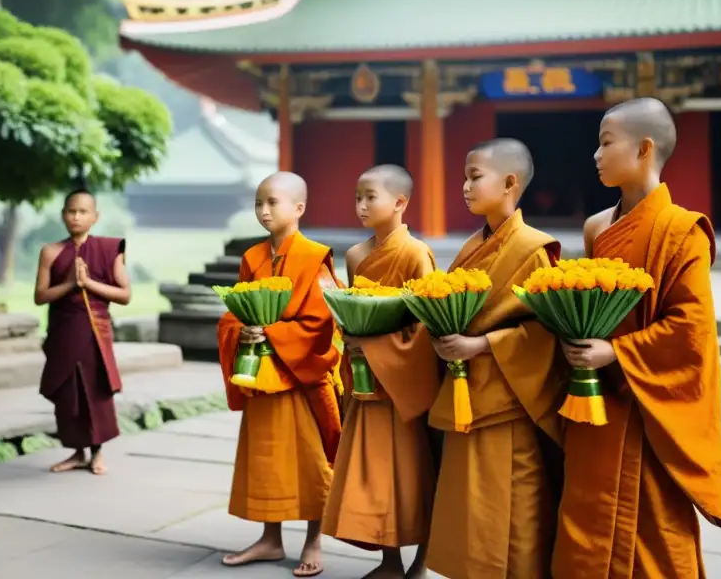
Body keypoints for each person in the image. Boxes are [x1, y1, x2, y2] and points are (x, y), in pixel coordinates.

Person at [553, 98, 721, 578]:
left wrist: (616, 352)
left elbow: (690, 328)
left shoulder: (682, 232)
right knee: (583, 518)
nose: (595, 153)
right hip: (595, 405)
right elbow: (586, 302)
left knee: (651, 529)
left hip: (647, 408)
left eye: (606, 142)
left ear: (644, 148)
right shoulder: (596, 227)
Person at [426, 139, 567, 579]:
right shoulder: (472, 245)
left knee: (514, 508)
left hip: (508, 400)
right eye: (465, 176)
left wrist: (480, 346)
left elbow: (546, 332)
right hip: (467, 395)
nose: (465, 186)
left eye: (474, 176)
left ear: (509, 183)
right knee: (467, 510)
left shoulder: (534, 249)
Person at [218, 172, 342, 578]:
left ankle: (314, 539)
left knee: (310, 461)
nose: (264, 210)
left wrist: (272, 331)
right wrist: (243, 329)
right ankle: (270, 539)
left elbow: (322, 323)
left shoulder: (314, 256)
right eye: (258, 203)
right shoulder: (253, 257)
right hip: (262, 376)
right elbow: (234, 312)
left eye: (272, 202)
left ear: (299, 208)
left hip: (297, 377)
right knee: (266, 458)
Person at [322, 165, 439, 578]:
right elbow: (355, 314)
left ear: (400, 202)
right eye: (357, 197)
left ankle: (421, 563)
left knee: (413, 472)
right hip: (366, 380)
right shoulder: (356, 255)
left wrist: (377, 347)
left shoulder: (415, 253)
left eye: (370, 196)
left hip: (401, 383)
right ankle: (389, 560)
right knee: (374, 475)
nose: (361, 205)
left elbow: (427, 321)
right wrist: (351, 339)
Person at [34, 188, 130, 476]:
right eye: (70, 211)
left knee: (95, 390)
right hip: (64, 332)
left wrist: (87, 283)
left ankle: (97, 452)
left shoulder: (110, 249)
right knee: (69, 393)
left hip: (95, 332)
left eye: (82, 212)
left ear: (95, 217)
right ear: (63, 215)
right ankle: (77, 452)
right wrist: (69, 284)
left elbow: (124, 295)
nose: (76, 217)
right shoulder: (51, 251)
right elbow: (40, 296)